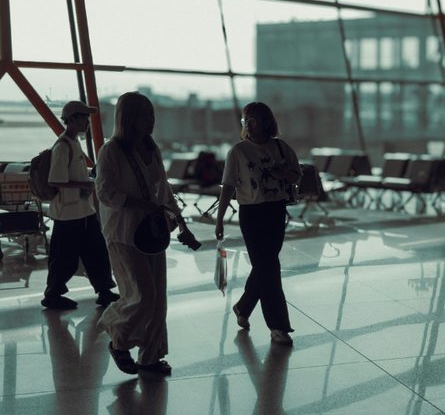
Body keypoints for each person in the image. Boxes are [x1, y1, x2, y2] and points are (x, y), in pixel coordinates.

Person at [97, 91, 195, 376]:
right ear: (128, 119)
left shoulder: (151, 148)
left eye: (152, 114)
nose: (150, 120)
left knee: (157, 298)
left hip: (152, 232)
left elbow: (163, 189)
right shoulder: (111, 150)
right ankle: (117, 334)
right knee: (142, 295)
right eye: (144, 115)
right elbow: (104, 192)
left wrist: (182, 223)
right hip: (124, 233)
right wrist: (139, 203)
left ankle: (150, 358)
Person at [215, 102, 301, 347]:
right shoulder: (238, 152)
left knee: (266, 266)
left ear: (266, 121)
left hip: (275, 211)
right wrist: (220, 219)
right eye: (245, 119)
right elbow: (228, 187)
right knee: (269, 267)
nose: (248, 123)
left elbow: (296, 175)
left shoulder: (281, 148)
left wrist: (279, 172)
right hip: (251, 214)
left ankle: (243, 306)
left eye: (253, 119)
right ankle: (278, 326)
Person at [42, 100, 118, 310]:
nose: (87, 121)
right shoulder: (63, 146)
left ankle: (104, 291)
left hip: (83, 211)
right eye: (84, 117)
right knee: (64, 258)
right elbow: (54, 180)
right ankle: (52, 294)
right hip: (67, 214)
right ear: (72, 119)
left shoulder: (75, 143)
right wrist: (84, 184)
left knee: (96, 251)